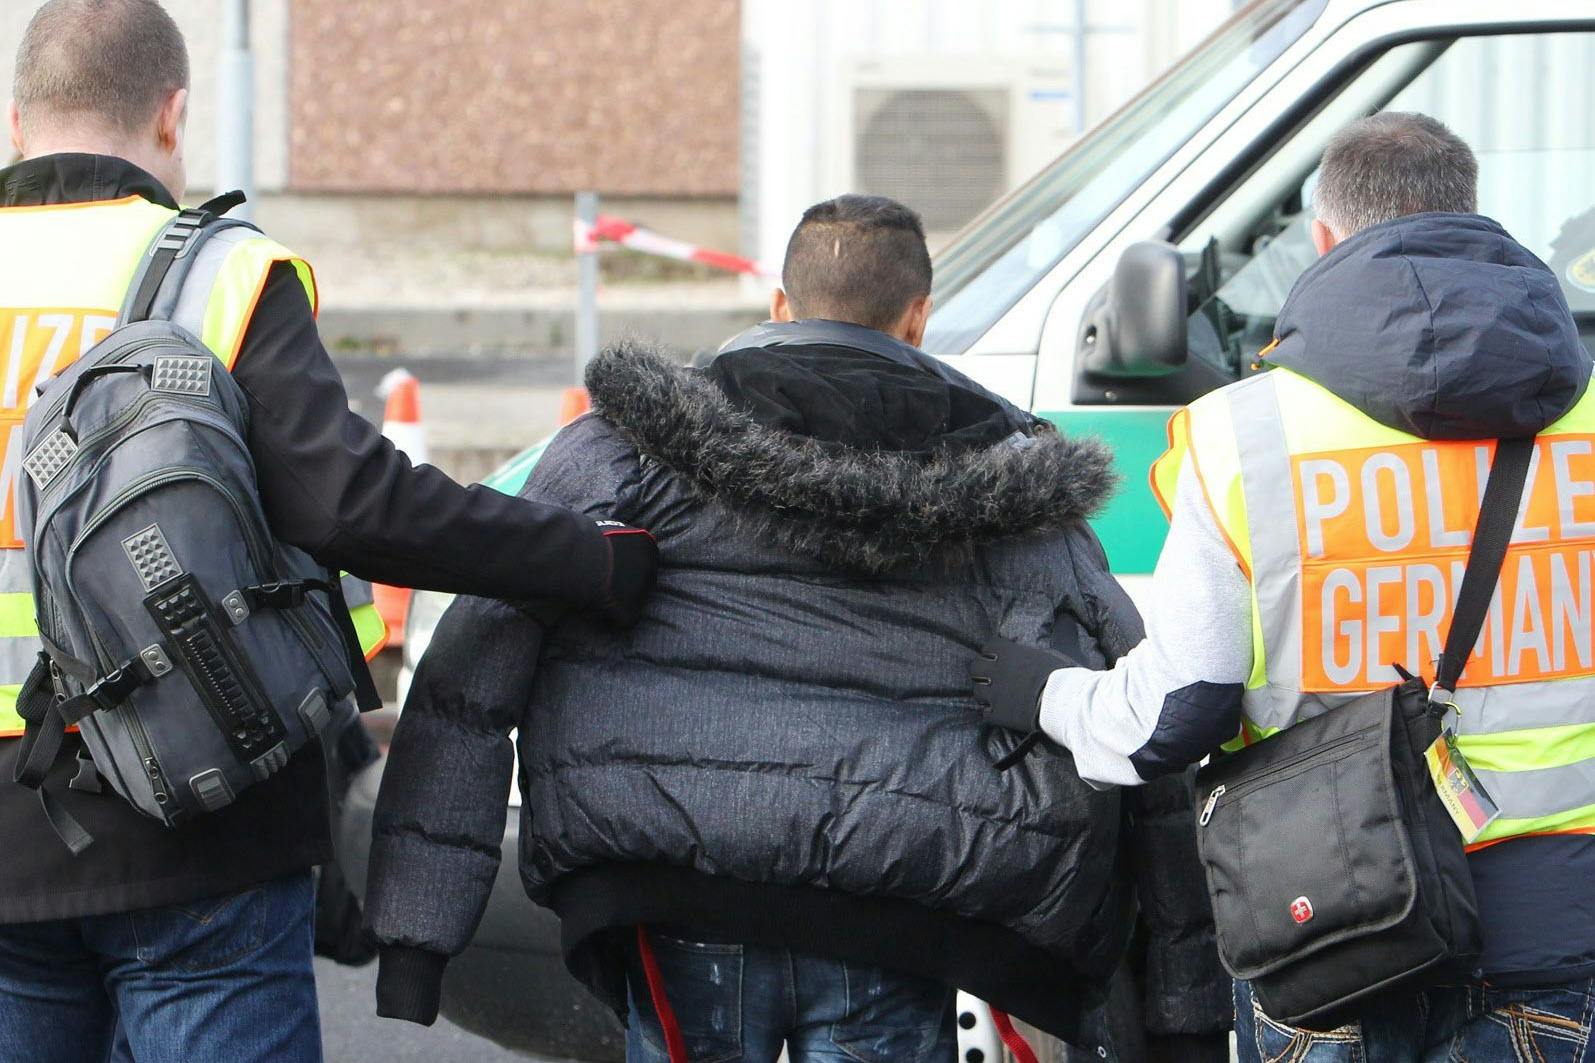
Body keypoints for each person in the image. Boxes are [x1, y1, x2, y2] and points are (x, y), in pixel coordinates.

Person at [365, 193, 1230, 1062]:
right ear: (918, 318)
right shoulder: (1017, 475)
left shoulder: (621, 449)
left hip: (669, 883)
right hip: (904, 908)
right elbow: (1138, 721)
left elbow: (471, 673)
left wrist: (415, 934)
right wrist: (1181, 1006)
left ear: (780, 305)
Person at [0, 3, 655, 1061]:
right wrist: (583, 557)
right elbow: (354, 506)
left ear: (15, 119)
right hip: (193, 817)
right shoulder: (220, 275)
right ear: (174, 116)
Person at [972, 111, 1595, 1060]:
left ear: (1323, 239)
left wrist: (1038, 691)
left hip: (1332, 927)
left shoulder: (1241, 436)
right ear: (1471, 214)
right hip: (1554, 930)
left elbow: (1171, 720)